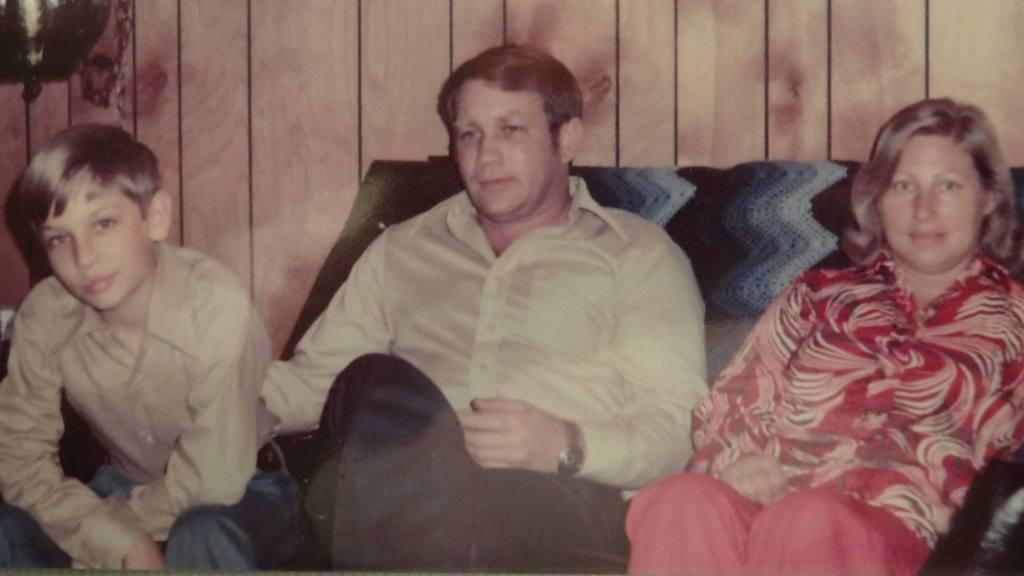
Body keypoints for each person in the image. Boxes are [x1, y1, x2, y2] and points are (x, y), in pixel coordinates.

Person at [260, 44, 707, 572]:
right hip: (409, 487)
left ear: (566, 139)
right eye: (469, 134)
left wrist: (565, 445)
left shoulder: (636, 255)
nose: (485, 156)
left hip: (561, 497)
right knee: (372, 382)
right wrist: (205, 398)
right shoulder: (402, 249)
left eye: (510, 130)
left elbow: (679, 429)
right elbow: (313, 384)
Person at [626, 97, 1024, 576]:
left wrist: (970, 520)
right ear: (877, 198)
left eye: (949, 186)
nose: (923, 210)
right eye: (903, 185)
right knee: (681, 500)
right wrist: (738, 464)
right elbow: (733, 405)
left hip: (906, 535)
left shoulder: (1016, 319)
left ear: (989, 198)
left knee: (809, 519)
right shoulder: (815, 296)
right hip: (770, 503)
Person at [0, 124, 298, 570]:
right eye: (59, 239)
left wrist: (114, 535)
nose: (84, 257)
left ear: (155, 217)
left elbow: (214, 477)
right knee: (6, 530)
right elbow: (19, 457)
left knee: (200, 534)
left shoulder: (215, 304)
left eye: (103, 224)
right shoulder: (45, 315)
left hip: (243, 490)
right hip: (123, 486)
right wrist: (113, 539)